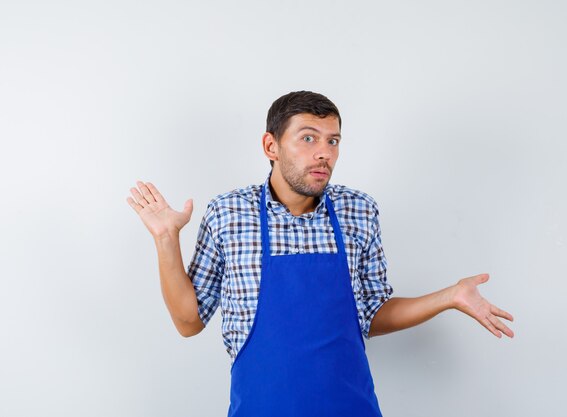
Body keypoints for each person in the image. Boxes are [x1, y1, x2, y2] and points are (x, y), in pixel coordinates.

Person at [126, 91, 514, 417]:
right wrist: (166, 239)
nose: (324, 153)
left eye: (333, 140)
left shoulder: (358, 210)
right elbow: (189, 322)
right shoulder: (229, 213)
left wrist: (449, 297)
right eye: (308, 138)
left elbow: (372, 313)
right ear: (271, 146)